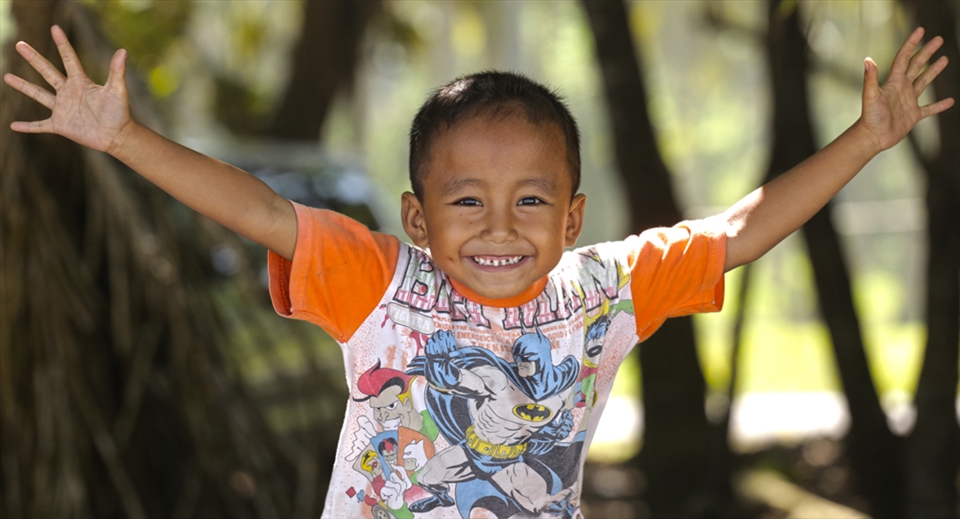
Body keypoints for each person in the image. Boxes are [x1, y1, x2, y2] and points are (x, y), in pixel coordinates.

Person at [5, 25, 952, 519]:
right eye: (467, 202)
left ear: (574, 215)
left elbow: (740, 228)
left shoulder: (606, 290)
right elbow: (257, 207)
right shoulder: (380, 284)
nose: (500, 227)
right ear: (418, 215)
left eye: (532, 201)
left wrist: (867, 138)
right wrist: (121, 136)